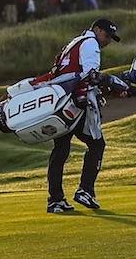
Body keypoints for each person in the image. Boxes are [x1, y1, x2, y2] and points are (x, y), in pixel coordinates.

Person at [43, 17, 122, 213]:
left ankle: (55, 200)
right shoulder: (90, 43)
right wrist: (112, 82)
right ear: (95, 29)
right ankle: (84, 191)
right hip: (76, 103)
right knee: (96, 144)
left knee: (60, 151)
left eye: (110, 38)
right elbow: (91, 75)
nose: (107, 41)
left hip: (61, 102)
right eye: (106, 35)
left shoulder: (75, 42)